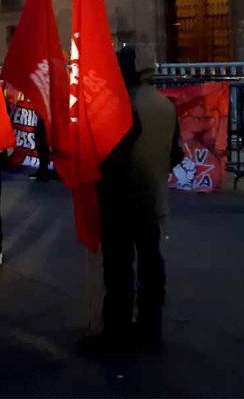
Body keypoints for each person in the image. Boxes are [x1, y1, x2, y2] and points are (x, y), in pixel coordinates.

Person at [81, 44, 180, 354]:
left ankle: (116, 329)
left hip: (121, 198)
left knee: (119, 266)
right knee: (151, 263)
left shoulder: (120, 105)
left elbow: (108, 153)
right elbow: (176, 153)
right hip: (154, 197)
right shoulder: (165, 105)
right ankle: (150, 325)